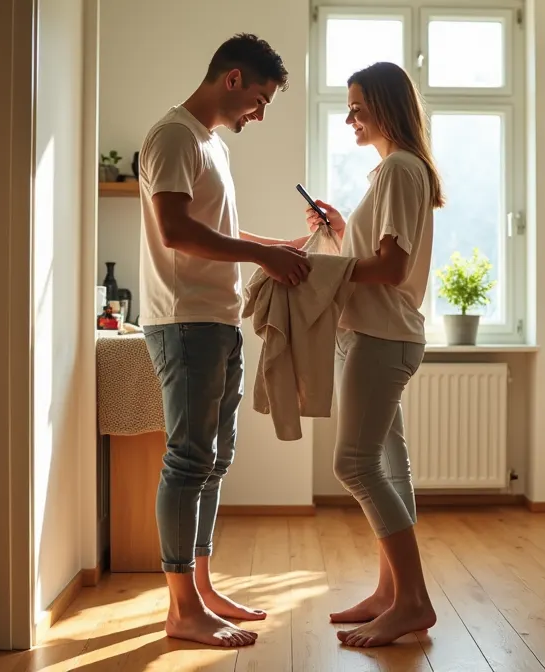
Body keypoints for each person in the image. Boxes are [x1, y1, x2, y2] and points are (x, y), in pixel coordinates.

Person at [138, 33, 313, 648]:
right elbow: (177, 229)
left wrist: (281, 247)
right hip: (185, 322)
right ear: (233, 79)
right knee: (189, 460)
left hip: (218, 319)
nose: (259, 115)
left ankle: (204, 590)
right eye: (260, 100)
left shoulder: (211, 145)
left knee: (214, 461)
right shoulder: (174, 136)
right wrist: (261, 254)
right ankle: (182, 608)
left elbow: (222, 229)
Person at [303, 61, 444, 648]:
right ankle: (391, 593)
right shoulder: (396, 172)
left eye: (358, 106)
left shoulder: (398, 171)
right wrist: (340, 233)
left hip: (381, 335)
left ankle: (411, 599)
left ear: (385, 107)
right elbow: (378, 256)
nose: (349, 117)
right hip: (384, 331)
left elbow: (390, 268)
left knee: (353, 464)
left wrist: (319, 267)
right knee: (388, 463)